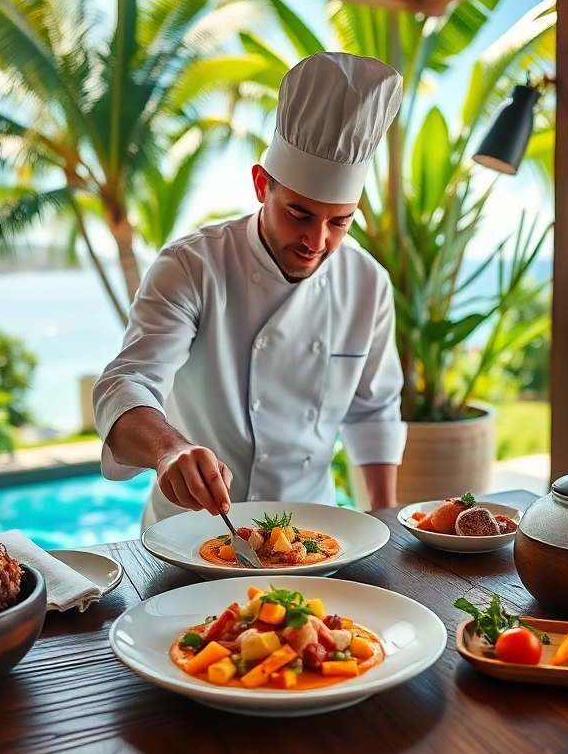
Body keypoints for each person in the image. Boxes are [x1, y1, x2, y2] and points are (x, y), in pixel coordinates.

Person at [93, 52, 406, 528]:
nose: (316, 242)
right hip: (189, 530)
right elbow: (127, 383)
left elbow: (374, 412)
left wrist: (385, 524)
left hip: (311, 532)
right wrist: (168, 449)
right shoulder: (192, 265)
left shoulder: (367, 283)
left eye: (339, 222)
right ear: (262, 185)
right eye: (299, 214)